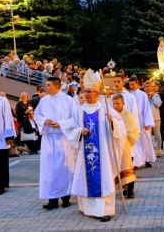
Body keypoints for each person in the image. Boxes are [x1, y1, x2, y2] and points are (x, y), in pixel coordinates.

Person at [59, 69, 127, 222]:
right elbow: (69, 128)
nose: (87, 94)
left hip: (103, 155)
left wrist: (112, 123)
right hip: (85, 153)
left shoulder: (105, 109)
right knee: (86, 179)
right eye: (85, 91)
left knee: (103, 179)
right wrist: (79, 131)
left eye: (90, 91)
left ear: (97, 93)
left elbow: (120, 130)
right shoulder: (79, 111)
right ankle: (87, 208)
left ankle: (104, 211)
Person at [34, 77, 77, 210]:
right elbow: (36, 115)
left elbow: (75, 118)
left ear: (57, 86)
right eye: (46, 85)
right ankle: (52, 199)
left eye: (49, 85)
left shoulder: (68, 100)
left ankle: (65, 198)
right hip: (48, 139)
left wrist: (61, 124)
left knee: (64, 169)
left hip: (63, 139)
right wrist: (43, 121)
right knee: (49, 171)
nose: (46, 87)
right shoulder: (44, 100)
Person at [112, 94, 140, 199]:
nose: (115, 106)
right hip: (114, 146)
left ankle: (130, 189)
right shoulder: (110, 114)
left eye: (118, 103)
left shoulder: (127, 115)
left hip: (124, 146)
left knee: (127, 166)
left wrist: (120, 134)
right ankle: (123, 187)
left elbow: (131, 131)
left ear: (123, 103)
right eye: (114, 104)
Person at [129, 76, 156, 168]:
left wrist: (147, 122)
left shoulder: (142, 94)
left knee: (145, 140)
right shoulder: (128, 95)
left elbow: (146, 109)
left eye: (133, 84)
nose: (131, 86)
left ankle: (147, 159)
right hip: (132, 121)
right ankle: (136, 162)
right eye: (130, 85)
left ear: (137, 84)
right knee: (135, 142)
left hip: (141, 120)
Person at [145, 81, 162, 157]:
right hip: (147, 118)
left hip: (155, 118)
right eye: (146, 86)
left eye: (149, 86)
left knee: (157, 135)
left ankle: (158, 150)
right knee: (147, 135)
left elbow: (158, 105)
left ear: (152, 87)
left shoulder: (156, 96)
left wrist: (152, 96)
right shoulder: (143, 95)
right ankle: (149, 151)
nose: (148, 88)